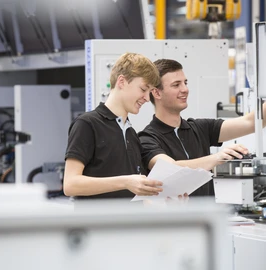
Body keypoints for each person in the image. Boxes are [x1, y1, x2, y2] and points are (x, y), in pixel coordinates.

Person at [138, 59, 264, 196]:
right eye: (176, 85)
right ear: (156, 93)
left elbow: (251, 122)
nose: (185, 89)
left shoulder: (200, 128)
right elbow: (172, 169)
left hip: (206, 216)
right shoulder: (147, 138)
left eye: (185, 83)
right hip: (173, 217)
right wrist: (217, 158)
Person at [63, 52, 164, 200]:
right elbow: (70, 184)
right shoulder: (87, 124)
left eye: (149, 92)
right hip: (97, 223)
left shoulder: (131, 134)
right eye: (143, 89)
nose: (147, 99)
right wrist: (125, 182)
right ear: (121, 82)